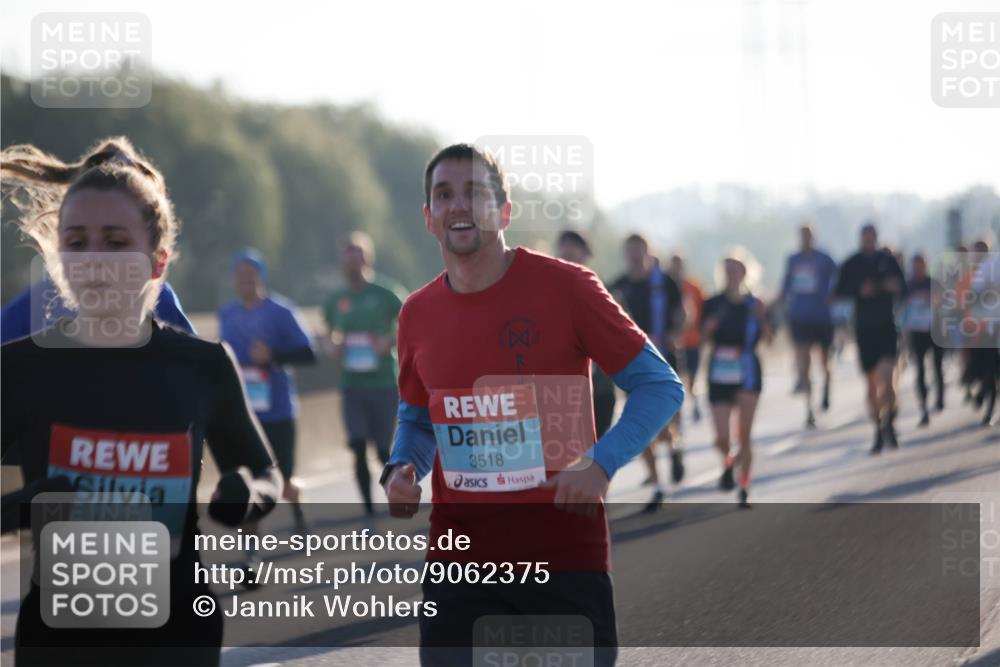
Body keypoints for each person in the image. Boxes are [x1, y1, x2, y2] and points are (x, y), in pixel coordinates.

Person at [380, 144, 683, 666]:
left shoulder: (569, 288)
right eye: (444, 194)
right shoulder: (417, 314)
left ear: (504, 211)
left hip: (561, 559)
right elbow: (416, 415)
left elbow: (660, 386)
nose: (459, 206)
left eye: (475, 192)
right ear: (429, 218)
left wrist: (600, 463)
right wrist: (403, 466)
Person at [0, 137, 280, 666]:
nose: (94, 261)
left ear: (157, 262)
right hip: (57, 644)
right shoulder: (18, 368)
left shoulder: (202, 365)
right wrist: (26, 505)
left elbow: (263, 469)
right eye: (76, 242)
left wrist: (248, 492)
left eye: (114, 242)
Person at [218, 247, 316, 539]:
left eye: (251, 274)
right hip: (244, 413)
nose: (245, 280)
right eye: (240, 275)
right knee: (247, 479)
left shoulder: (281, 311)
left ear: (261, 276)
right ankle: (251, 549)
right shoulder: (227, 313)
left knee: (284, 480)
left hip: (279, 411)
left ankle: (297, 511)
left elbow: (309, 353)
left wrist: (272, 356)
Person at [323, 231, 407, 515]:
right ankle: (368, 509)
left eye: (357, 260)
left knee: (383, 450)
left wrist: (390, 341)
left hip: (383, 382)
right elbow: (328, 332)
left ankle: (394, 496)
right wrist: (333, 345)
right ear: (342, 264)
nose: (352, 266)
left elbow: (410, 322)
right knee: (357, 444)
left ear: (368, 261)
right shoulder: (337, 299)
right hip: (352, 384)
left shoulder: (386, 293)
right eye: (348, 261)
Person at [609, 234, 686, 508]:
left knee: (663, 421)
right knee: (639, 424)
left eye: (638, 249)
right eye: (629, 249)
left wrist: (674, 333)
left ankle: (674, 446)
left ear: (648, 251)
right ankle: (657, 485)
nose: (634, 254)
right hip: (631, 365)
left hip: (664, 358)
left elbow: (680, 313)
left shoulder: (663, 282)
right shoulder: (617, 286)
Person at [703, 249, 772, 508]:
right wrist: (708, 330)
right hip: (720, 369)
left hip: (747, 369)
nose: (731, 275)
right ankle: (730, 460)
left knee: (744, 436)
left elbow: (769, 339)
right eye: (727, 270)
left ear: (745, 272)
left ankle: (744, 485)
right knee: (721, 437)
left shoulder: (756, 304)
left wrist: (763, 320)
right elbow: (700, 339)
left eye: (736, 269)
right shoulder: (713, 303)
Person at [835, 223, 906, 453]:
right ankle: (877, 428)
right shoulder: (852, 263)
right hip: (864, 329)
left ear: (876, 238)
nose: (868, 240)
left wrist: (889, 286)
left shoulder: (887, 260)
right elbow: (839, 291)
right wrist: (859, 290)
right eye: (865, 236)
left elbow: (902, 286)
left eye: (871, 236)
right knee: (872, 384)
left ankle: (890, 421)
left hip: (886, 326)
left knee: (888, 379)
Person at [2, 274, 194, 342]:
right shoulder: (37, 301)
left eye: (115, 242)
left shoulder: (157, 296)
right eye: (78, 242)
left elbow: (198, 376)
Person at [557, 229, 617, 438]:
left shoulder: (604, 291)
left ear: (586, 254)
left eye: (574, 246)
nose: (568, 251)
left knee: (593, 457)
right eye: (564, 245)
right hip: (558, 394)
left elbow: (622, 337)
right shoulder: (544, 293)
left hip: (599, 390)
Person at [776, 224, 837, 428]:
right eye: (802, 235)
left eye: (808, 235)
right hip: (800, 316)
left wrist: (832, 294)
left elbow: (839, 278)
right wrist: (777, 305)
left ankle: (827, 385)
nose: (805, 239)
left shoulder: (824, 258)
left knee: (825, 361)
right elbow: (785, 286)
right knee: (804, 364)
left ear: (814, 237)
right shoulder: (793, 260)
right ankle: (809, 408)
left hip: (822, 317)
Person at [903, 253, 944, 426]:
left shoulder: (933, 283)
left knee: (937, 366)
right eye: (915, 266)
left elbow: (947, 303)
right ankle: (923, 407)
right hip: (916, 332)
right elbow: (899, 307)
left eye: (921, 265)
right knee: (920, 370)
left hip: (934, 331)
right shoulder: (907, 285)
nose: (918, 269)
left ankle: (940, 398)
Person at [668, 253, 705, 424]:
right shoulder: (664, 285)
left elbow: (704, 311)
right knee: (676, 380)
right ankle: (678, 413)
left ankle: (695, 402)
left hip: (692, 341)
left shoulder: (693, 286)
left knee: (691, 377)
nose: (677, 268)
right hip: (672, 344)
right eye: (674, 264)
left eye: (679, 264)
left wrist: (703, 335)